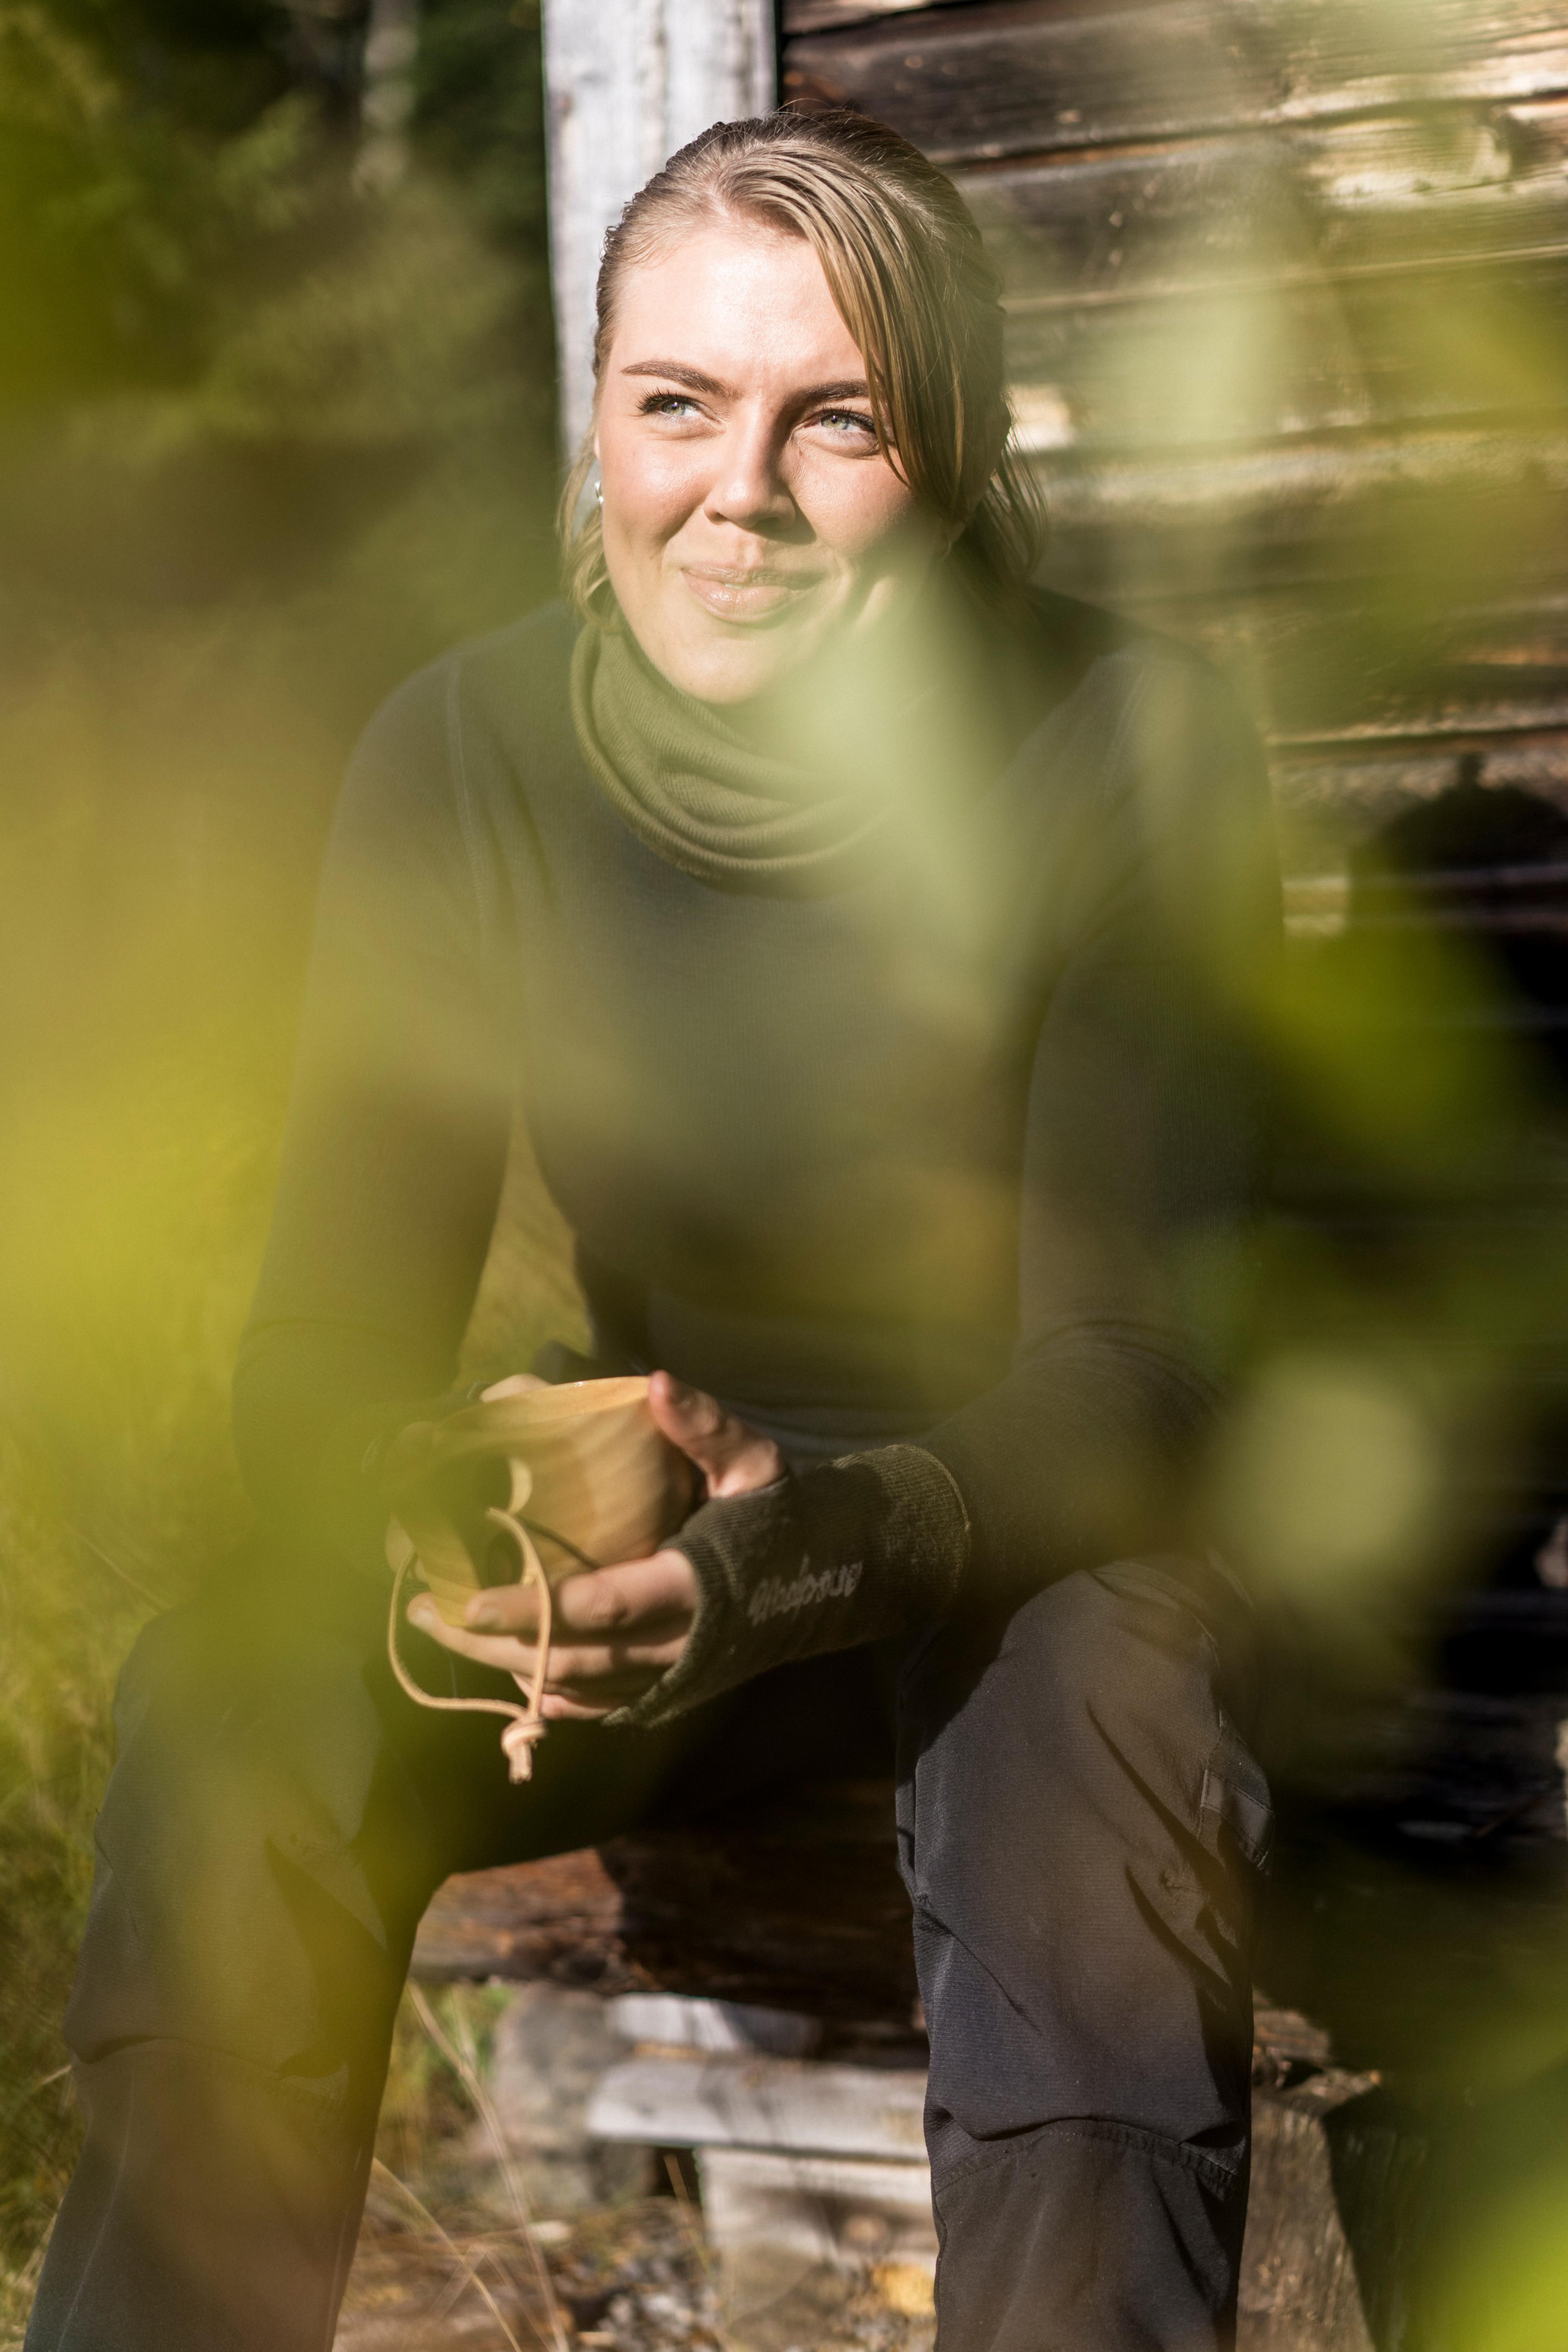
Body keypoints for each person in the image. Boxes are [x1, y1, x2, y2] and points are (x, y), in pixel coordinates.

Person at [27, 110, 1279, 2352]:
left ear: (961, 453)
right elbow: (322, 1346)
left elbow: (1138, 1378)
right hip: (651, 1572)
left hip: (1016, 1552)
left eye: (840, 423)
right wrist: (444, 1491)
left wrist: (805, 1547)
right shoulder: (466, 750)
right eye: (678, 402)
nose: (741, 493)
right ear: (596, 419)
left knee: (1094, 1740)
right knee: (235, 1693)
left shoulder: (1128, 739)